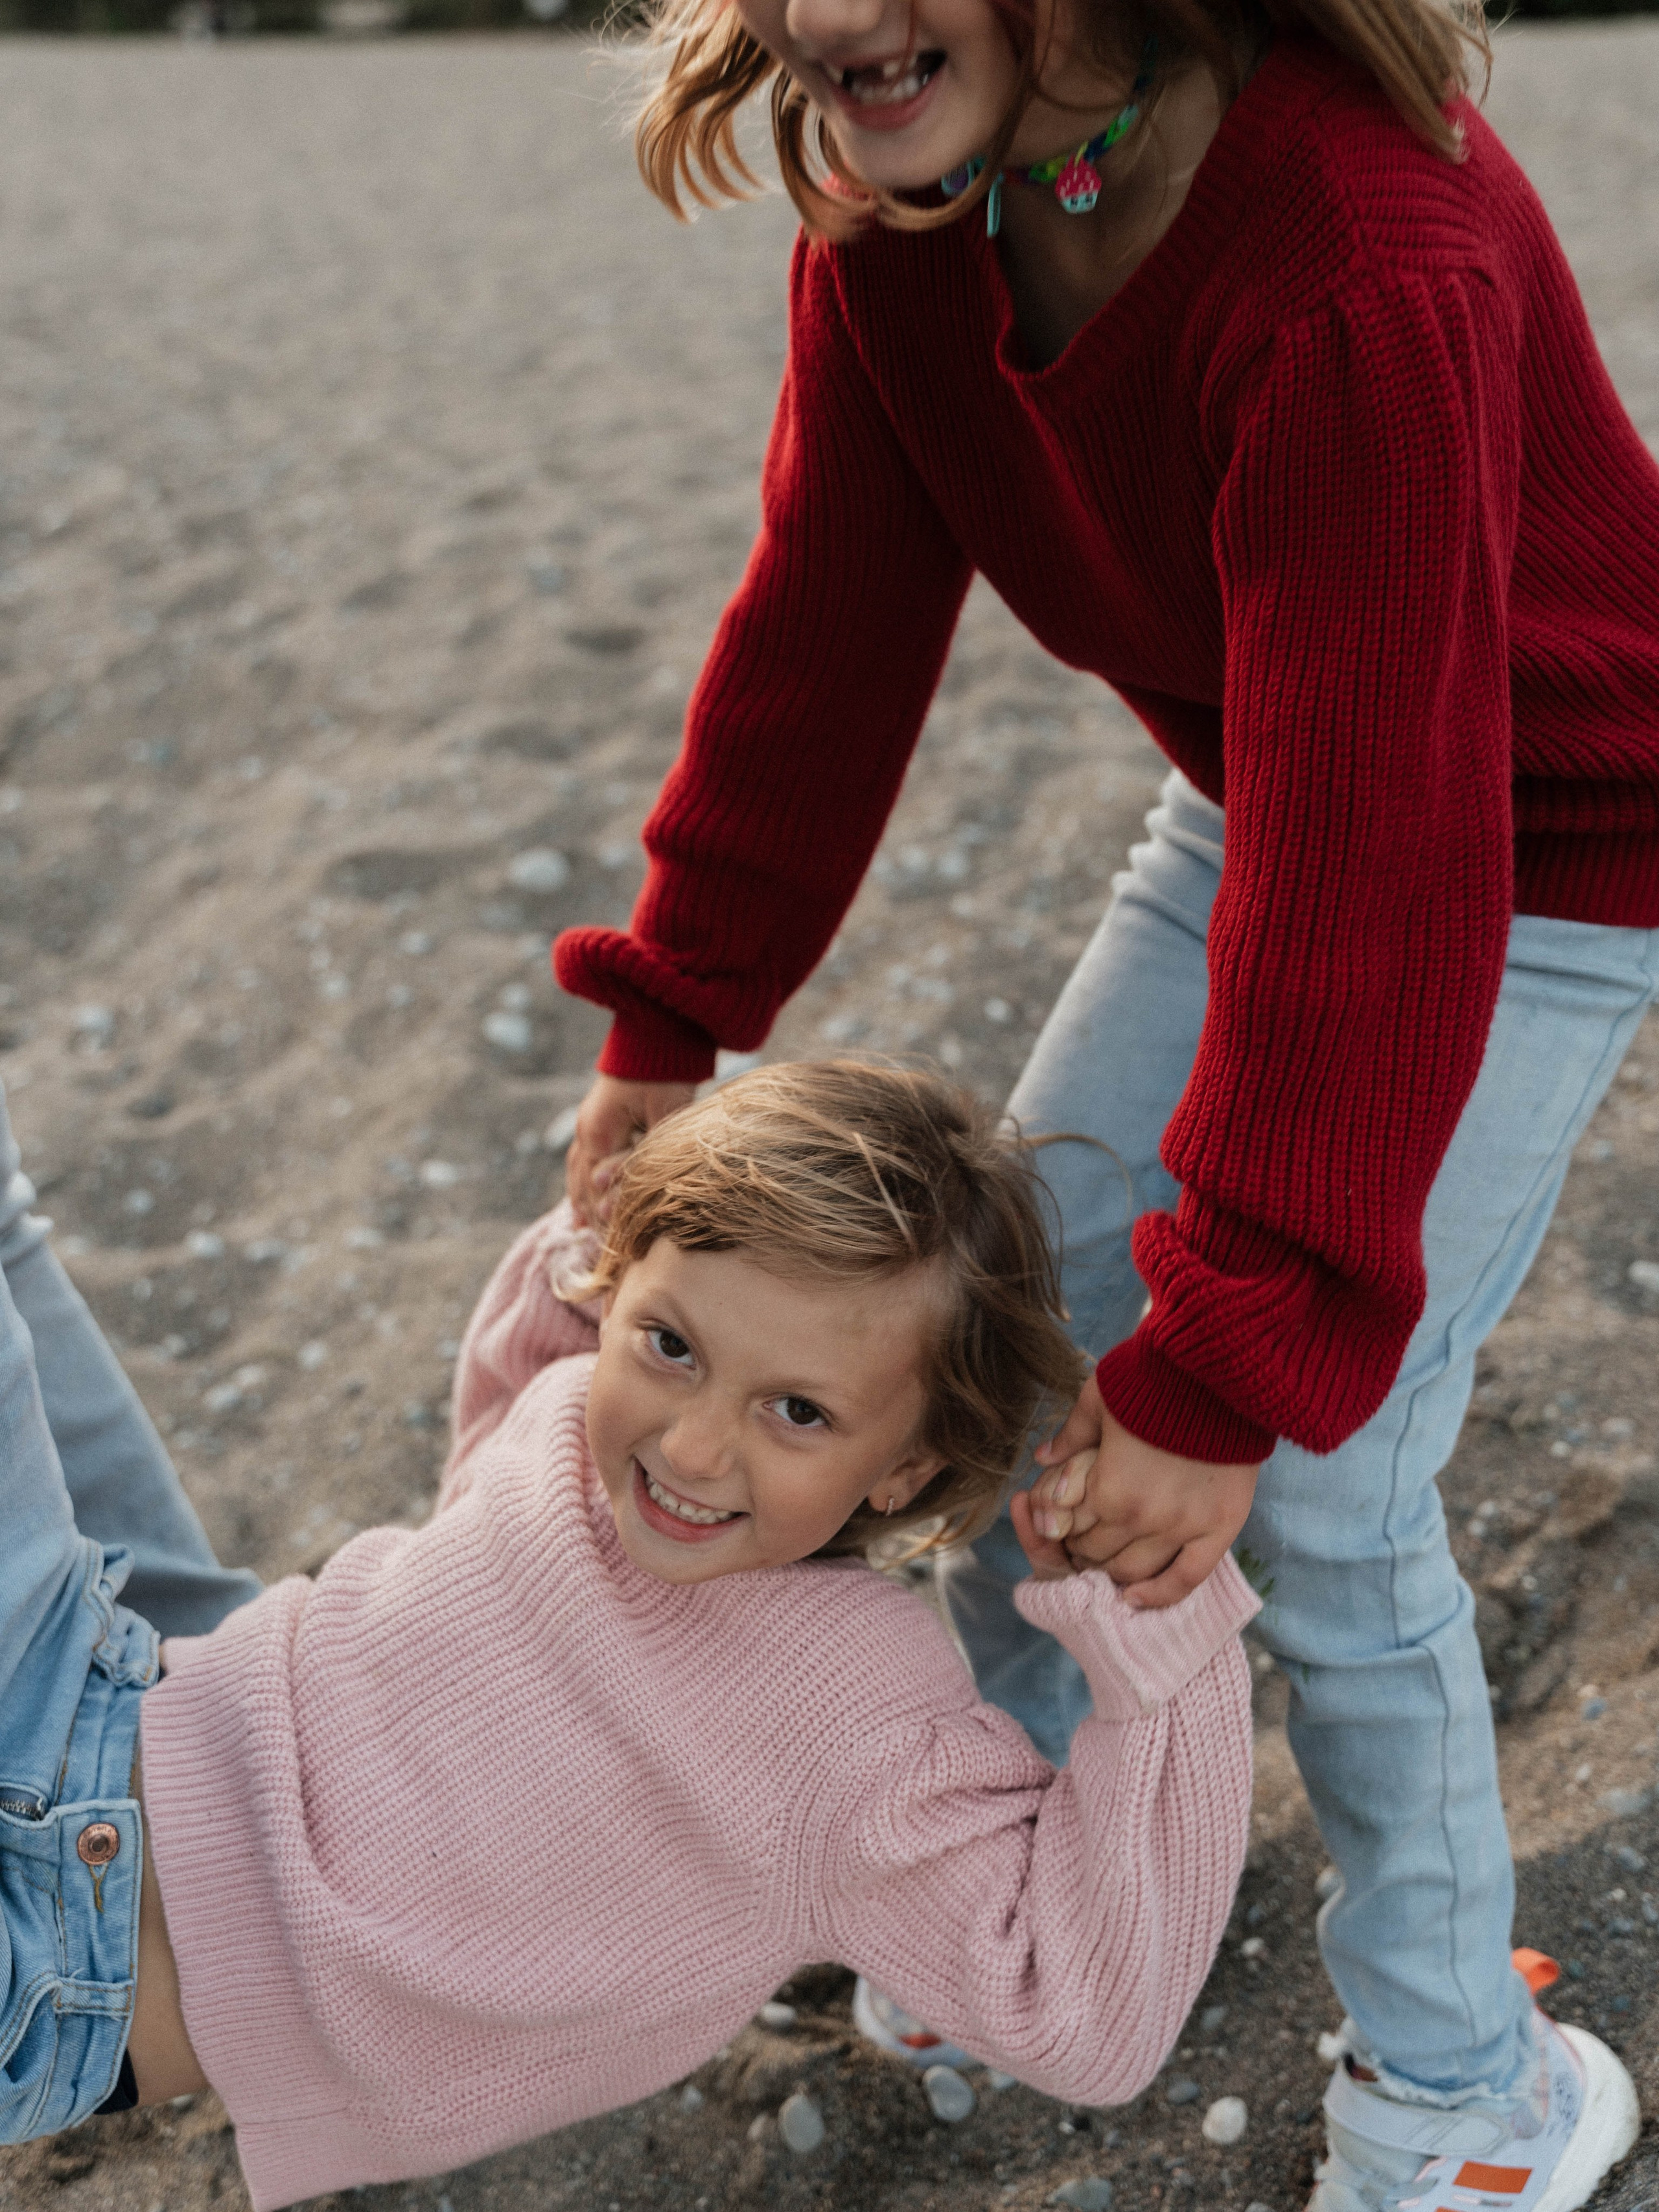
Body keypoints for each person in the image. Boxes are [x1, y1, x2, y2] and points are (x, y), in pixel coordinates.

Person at [550, 0, 1659, 2199]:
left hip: (1537, 835)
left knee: (1322, 1470)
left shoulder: (1359, 255)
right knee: (1009, 1321)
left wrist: (1246, 1331)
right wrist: (676, 1009)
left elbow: (1388, 862)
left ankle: (1472, 2096)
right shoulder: (904, 203)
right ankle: (995, 1876)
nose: (832, 17)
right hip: (1273, 779)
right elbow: (828, 625)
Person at [2, 1060, 1259, 2211]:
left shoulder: (859, 1726)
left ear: (906, 1467)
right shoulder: (572, 1427)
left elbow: (1086, 2017)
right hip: (100, 1685)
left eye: (799, 1413)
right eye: (670, 1345)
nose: (694, 1445)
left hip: (57, 1942)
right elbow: (487, 1506)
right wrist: (582, 1245)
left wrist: (1152, 1632)